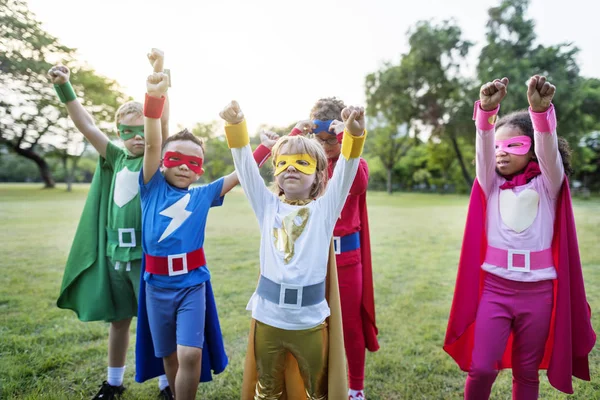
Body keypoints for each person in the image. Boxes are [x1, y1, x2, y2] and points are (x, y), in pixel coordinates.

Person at [443, 75, 596, 399]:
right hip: (496, 289)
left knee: (527, 373)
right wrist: (485, 113)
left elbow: (548, 151)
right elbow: (484, 148)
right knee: (482, 367)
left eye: (514, 145)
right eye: (499, 145)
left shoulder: (548, 185)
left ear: (531, 150)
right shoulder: (490, 183)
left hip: (538, 292)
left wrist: (540, 115)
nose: (502, 152)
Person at [220, 99, 367, 399]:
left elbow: (349, 170)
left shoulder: (326, 210)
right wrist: (236, 127)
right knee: (268, 390)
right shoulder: (267, 207)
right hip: (268, 319)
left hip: (310, 322)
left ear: (319, 176)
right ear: (275, 173)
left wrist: (353, 135)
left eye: (302, 163)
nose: (291, 169)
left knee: (317, 392)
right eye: (283, 163)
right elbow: (246, 170)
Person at [50, 49, 172, 399]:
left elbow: (159, 126)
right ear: (119, 133)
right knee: (119, 322)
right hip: (115, 255)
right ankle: (114, 382)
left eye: (141, 130)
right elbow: (86, 125)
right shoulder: (116, 158)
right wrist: (66, 88)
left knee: (154, 324)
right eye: (127, 132)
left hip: (146, 258)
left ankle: (166, 384)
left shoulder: (154, 160)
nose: (136, 137)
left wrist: (158, 73)